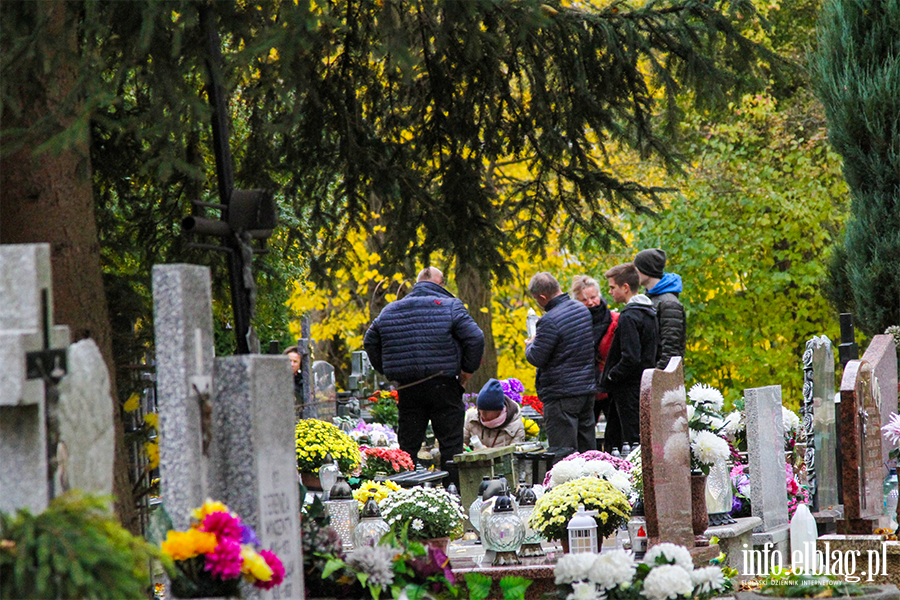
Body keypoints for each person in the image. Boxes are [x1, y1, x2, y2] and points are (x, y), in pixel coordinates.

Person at [363, 267, 484, 487]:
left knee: (408, 447)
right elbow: (475, 337)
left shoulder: (390, 310)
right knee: (451, 446)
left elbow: (370, 341)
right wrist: (466, 372)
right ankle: (453, 494)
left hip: (408, 387)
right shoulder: (451, 306)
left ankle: (407, 497)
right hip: (444, 384)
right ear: (440, 283)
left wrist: (389, 370)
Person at [524, 272, 597, 453]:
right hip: (586, 389)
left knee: (563, 453)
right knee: (588, 450)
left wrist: (530, 344)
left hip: (561, 394)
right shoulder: (581, 310)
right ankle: (592, 480)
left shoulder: (548, 321)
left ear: (542, 297)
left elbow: (536, 357)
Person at [600, 263, 658, 453]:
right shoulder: (649, 313)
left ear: (625, 287)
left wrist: (611, 375)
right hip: (644, 384)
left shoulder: (629, 317)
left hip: (628, 389)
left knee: (629, 443)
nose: (610, 292)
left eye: (612, 287)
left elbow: (630, 357)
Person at [571, 275, 619, 422]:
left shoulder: (614, 320)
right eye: (584, 300)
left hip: (610, 386)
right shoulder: (573, 325)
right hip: (584, 388)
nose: (591, 303)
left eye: (593, 297)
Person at [634, 248, 686, 370]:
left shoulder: (669, 303)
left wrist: (655, 377)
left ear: (647, 269)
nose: (634, 273)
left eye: (637, 268)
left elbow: (670, 351)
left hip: (661, 379)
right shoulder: (648, 299)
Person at [463, 378, 526, 448]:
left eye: (489, 417)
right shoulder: (472, 419)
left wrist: (488, 453)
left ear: (499, 411)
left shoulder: (516, 425)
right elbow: (462, 443)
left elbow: (515, 455)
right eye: (481, 412)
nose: (483, 417)